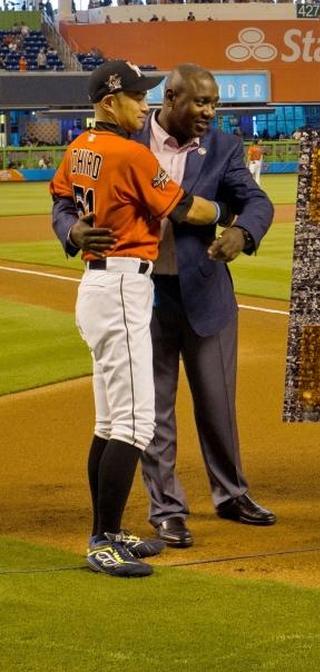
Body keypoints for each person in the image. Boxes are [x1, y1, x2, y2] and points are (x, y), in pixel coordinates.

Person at [49, 60, 240, 577]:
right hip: (121, 287)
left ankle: (106, 533)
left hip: (101, 285)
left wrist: (71, 229)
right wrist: (225, 215)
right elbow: (186, 211)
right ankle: (102, 542)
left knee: (111, 422)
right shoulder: (130, 154)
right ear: (110, 102)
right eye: (135, 97)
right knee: (134, 424)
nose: (143, 104)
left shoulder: (79, 149)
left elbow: (61, 195)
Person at [140, 63, 275, 548]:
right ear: (170, 96)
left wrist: (241, 232)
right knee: (154, 412)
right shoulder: (127, 139)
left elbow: (256, 201)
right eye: (200, 102)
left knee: (218, 405)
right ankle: (167, 510)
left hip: (206, 292)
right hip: (143, 295)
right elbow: (70, 200)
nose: (209, 113)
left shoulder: (223, 146)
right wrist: (72, 231)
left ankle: (230, 494)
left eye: (214, 104)